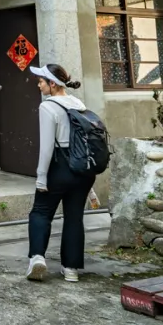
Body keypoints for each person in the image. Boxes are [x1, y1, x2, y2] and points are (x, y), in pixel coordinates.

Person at [26, 63, 93, 283]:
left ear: (52, 84)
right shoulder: (78, 103)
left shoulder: (48, 107)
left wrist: (41, 177)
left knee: (41, 212)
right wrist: (90, 188)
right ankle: (71, 269)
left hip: (59, 165)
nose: (39, 85)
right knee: (74, 217)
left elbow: (46, 148)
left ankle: (37, 257)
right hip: (82, 170)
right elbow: (84, 145)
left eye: (41, 81)